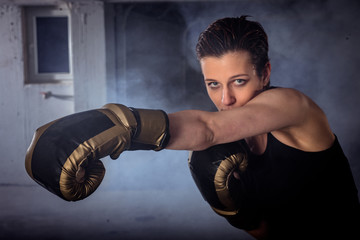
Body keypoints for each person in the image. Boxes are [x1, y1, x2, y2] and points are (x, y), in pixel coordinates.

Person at [25, 16, 359, 240]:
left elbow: (208, 129)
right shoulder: (236, 140)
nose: (225, 98)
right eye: (213, 84)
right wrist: (242, 218)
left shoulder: (293, 106)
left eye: (239, 82)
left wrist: (120, 125)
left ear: (266, 73)